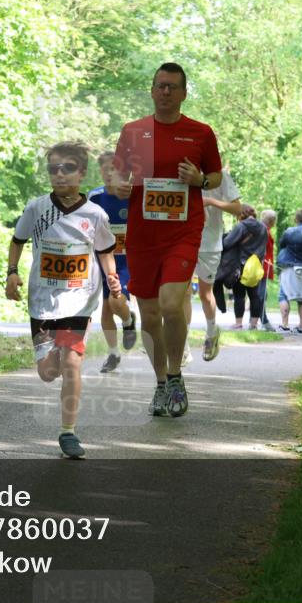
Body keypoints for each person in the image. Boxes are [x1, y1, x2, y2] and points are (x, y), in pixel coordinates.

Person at [113, 62, 223, 418]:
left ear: (184, 93)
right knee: (149, 315)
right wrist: (117, 186)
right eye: (160, 86)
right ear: (151, 90)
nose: (165, 92)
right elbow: (116, 175)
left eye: (173, 87)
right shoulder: (134, 131)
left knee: (172, 305)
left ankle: (176, 376)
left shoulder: (200, 133)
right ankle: (160, 382)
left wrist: (200, 180)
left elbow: (216, 176)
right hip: (143, 235)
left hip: (182, 232)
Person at [5, 141, 122, 459]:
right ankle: (51, 356)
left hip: (79, 300)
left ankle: (68, 432)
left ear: (82, 172)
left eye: (67, 168)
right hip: (43, 300)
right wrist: (12, 273)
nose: (59, 174)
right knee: (48, 372)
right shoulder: (37, 207)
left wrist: (114, 282)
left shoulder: (94, 214)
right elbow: (17, 241)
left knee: (72, 363)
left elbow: (105, 250)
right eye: (53, 168)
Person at [183, 161, 242, 363]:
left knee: (205, 294)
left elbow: (238, 208)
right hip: (183, 241)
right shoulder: (182, 173)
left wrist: (210, 201)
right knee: (183, 292)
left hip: (209, 244)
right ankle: (182, 344)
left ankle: (211, 332)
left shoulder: (221, 177)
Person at [89, 151, 137, 373]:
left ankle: (129, 322)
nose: (109, 173)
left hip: (127, 261)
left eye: (114, 169)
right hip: (103, 260)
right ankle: (113, 354)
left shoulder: (133, 196)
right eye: (105, 169)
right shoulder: (94, 197)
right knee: (106, 311)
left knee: (116, 303)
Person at [220, 204, 268, 330]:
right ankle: (253, 324)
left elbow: (227, 243)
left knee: (239, 295)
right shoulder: (263, 227)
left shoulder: (241, 226)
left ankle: (239, 322)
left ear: (242, 214)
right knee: (254, 295)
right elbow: (264, 247)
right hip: (256, 265)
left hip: (240, 264)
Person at [276, 209, 302, 335]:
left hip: (290, 267)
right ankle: (301, 327)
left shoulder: (289, 232)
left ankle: (285, 325)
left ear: (295, 219)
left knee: (284, 295)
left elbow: (282, 244)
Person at [258, 209, 277, 331]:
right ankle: (263, 320)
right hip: (262, 267)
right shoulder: (264, 230)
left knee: (262, 294)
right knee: (261, 294)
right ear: (272, 220)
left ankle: (257, 319)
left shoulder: (264, 229)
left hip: (265, 266)